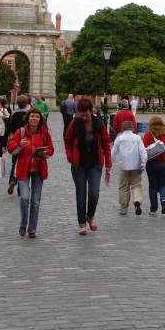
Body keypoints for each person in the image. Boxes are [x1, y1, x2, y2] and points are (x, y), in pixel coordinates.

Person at [64, 97, 112, 235]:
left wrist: (108, 162)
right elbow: (67, 140)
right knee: (81, 194)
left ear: (91, 111)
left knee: (94, 193)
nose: (83, 117)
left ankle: (90, 216)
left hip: (95, 163)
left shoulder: (99, 123)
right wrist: (70, 157)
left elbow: (106, 143)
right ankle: (82, 223)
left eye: (86, 114)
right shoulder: (75, 123)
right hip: (78, 164)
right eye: (81, 114)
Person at [6, 107, 54, 238]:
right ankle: (23, 223)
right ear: (28, 118)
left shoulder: (45, 133)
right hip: (23, 169)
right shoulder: (21, 132)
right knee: (24, 198)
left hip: (38, 169)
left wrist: (44, 153)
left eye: (37, 117)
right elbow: (10, 149)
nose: (34, 119)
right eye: (32, 116)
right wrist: (19, 145)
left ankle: (32, 229)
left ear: (40, 119)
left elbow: (51, 150)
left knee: (36, 201)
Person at [111, 120, 146, 216]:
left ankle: (123, 207)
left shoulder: (119, 138)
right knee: (136, 184)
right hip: (136, 165)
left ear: (122, 128)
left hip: (124, 165)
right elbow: (143, 152)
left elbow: (113, 152)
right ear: (132, 128)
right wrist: (143, 164)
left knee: (123, 187)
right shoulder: (137, 138)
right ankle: (137, 201)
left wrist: (110, 163)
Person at [141, 115, 165, 215]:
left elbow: (143, 149)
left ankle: (153, 209)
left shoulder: (147, 135)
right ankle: (164, 201)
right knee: (163, 184)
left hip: (151, 163)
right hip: (164, 163)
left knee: (153, 186)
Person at [6, 95, 31, 194]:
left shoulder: (13, 115)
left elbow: (8, 129)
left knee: (14, 163)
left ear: (17, 103)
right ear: (27, 103)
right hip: (27, 142)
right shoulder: (29, 115)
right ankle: (21, 188)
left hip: (16, 142)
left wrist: (5, 144)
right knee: (25, 164)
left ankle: (13, 180)